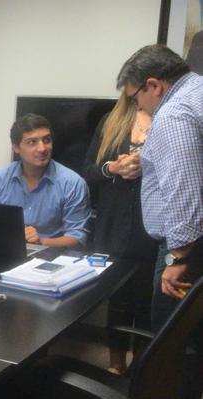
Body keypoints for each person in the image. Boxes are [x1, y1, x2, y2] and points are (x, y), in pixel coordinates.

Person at [117, 44, 203, 399]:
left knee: (174, 341)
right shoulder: (198, 91)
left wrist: (176, 259)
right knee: (194, 337)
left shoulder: (173, 113)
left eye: (136, 98)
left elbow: (184, 189)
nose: (138, 106)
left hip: (186, 248)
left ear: (154, 85)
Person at [83, 90, 158, 373]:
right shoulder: (110, 121)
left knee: (147, 304)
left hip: (151, 227)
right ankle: (115, 365)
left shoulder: (168, 120)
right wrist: (113, 167)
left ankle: (142, 370)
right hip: (113, 225)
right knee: (118, 301)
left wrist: (146, 168)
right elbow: (88, 171)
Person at [0, 113, 91, 248]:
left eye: (46, 140)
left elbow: (77, 237)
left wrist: (40, 242)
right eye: (32, 142)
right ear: (16, 147)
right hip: (7, 250)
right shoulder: (0, 178)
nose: (42, 148)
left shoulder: (72, 183)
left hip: (52, 255)